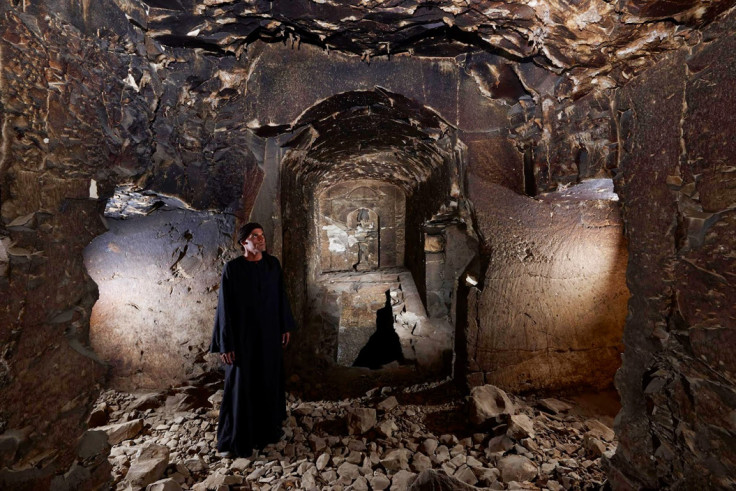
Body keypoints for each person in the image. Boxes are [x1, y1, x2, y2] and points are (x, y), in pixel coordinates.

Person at [210, 222, 296, 457]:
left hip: (269, 336)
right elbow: (225, 309)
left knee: (267, 379)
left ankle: (267, 431)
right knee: (241, 384)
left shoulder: (272, 265)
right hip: (243, 339)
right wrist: (226, 343)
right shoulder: (233, 269)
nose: (260, 239)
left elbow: (281, 296)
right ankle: (239, 436)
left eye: (262, 235)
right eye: (254, 236)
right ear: (243, 243)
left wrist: (285, 324)